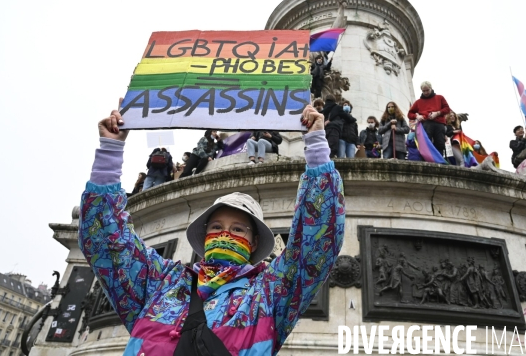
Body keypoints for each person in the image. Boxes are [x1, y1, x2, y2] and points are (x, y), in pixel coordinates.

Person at [79, 104, 344, 355]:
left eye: (238, 230)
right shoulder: (161, 284)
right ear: (204, 235)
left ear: (253, 243)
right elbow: (107, 242)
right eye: (216, 226)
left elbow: (317, 239)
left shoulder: (269, 292)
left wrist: (317, 146)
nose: (225, 235)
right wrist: (110, 151)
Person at [407, 81, 451, 155]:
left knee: (440, 143)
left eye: (427, 90)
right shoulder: (418, 102)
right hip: (426, 124)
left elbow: (447, 109)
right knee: (427, 143)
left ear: (431, 88)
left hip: (439, 123)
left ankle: (439, 160)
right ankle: (428, 160)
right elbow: (410, 114)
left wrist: (437, 113)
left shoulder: (440, 97)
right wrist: (417, 116)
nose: (426, 92)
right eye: (424, 91)